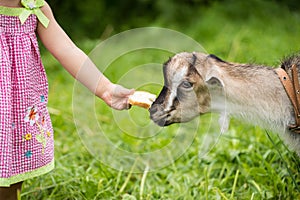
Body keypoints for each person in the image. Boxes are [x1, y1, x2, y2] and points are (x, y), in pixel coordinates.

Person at [0, 0, 134, 199]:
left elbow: (67, 49)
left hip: (17, 111)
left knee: (12, 168)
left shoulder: (35, 7)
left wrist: (105, 88)